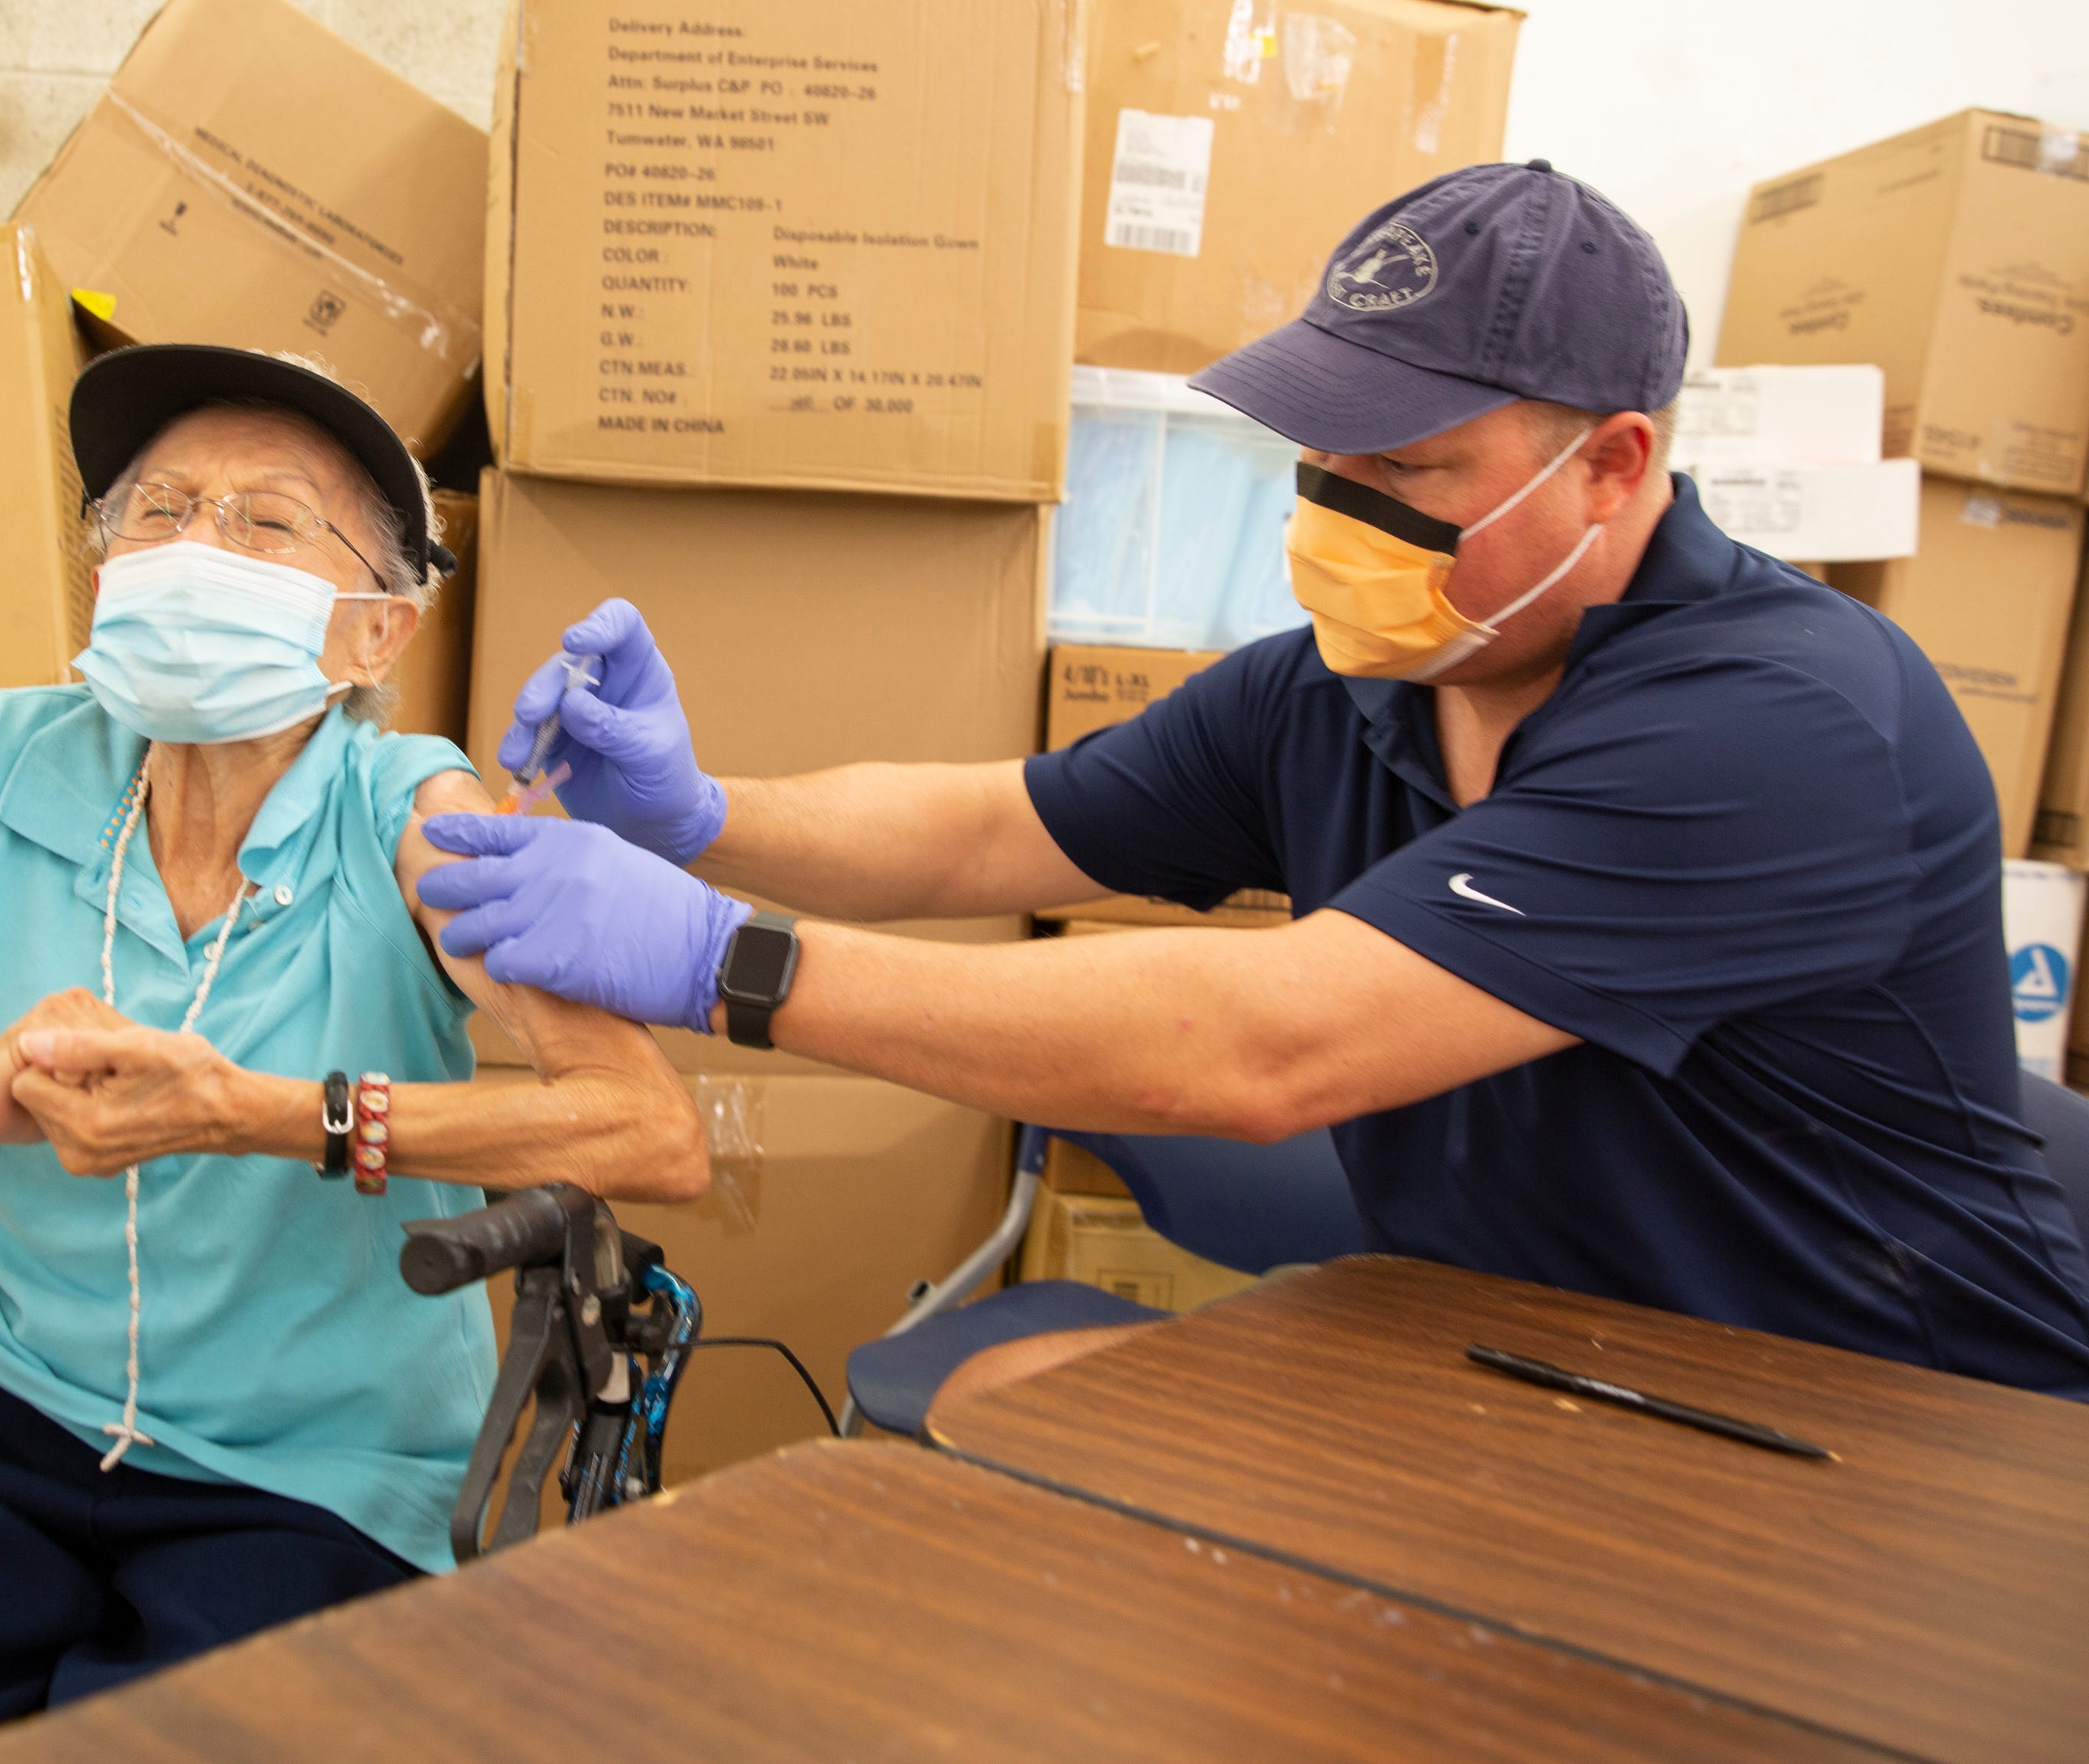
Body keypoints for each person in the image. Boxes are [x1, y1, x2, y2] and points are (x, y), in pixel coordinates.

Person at [419, 160, 2089, 1400]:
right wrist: (705, 813)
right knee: (1011, 1408)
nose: (1340, 512)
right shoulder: (1359, 684)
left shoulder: (1777, 724)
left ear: (1620, 464)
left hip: (1880, 1411)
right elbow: (1006, 824)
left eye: (1412, 465)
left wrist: (730, 963)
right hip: (1527, 1344)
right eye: (1322, 455)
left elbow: (1267, 1046)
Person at [0, 344, 707, 1764]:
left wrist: (261, 1111)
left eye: (263, 523)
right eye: (160, 509)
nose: (194, 546)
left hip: (310, 1468)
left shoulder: (416, 818)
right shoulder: (4, 763)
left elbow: (645, 1128)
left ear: (373, 632)